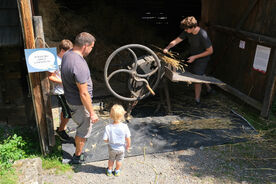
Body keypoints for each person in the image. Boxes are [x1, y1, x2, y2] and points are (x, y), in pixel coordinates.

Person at [61, 32, 99, 164]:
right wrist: (92, 113)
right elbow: (83, 94)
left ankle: (78, 151)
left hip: (71, 98)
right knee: (83, 129)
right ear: (85, 46)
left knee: (81, 125)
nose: (91, 50)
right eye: (91, 47)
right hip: (79, 104)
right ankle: (77, 156)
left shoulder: (67, 54)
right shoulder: (79, 64)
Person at [163, 16, 213, 104]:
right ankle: (209, 88)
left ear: (193, 27)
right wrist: (167, 47)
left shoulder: (202, 34)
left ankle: (197, 100)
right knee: (198, 72)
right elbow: (176, 40)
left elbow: (210, 51)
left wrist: (195, 57)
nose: (185, 31)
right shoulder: (187, 31)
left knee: (197, 76)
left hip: (203, 57)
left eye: (186, 29)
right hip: (194, 55)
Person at [48, 39, 73, 142]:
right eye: (68, 52)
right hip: (60, 91)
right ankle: (61, 131)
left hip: (69, 90)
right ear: (62, 50)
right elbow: (51, 77)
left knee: (66, 111)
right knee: (68, 113)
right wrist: (63, 82)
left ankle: (61, 127)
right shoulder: (54, 61)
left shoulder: (68, 59)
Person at [103, 104, 131, 176]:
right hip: (121, 148)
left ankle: (109, 170)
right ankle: (117, 171)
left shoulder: (108, 127)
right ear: (122, 116)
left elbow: (105, 139)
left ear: (111, 116)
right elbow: (128, 138)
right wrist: (128, 146)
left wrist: (109, 141)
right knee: (119, 160)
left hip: (112, 148)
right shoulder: (125, 126)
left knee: (111, 159)